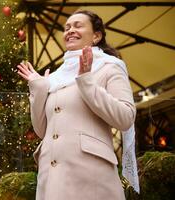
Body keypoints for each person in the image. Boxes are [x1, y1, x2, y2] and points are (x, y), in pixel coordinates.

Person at [17, 10, 139, 200]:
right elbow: (42, 131)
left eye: (78, 26)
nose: (70, 30)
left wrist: (86, 81)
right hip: (51, 179)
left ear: (96, 36)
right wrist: (39, 89)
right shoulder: (55, 77)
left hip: (90, 177)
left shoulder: (109, 66)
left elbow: (125, 118)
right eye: (67, 28)